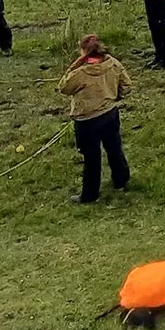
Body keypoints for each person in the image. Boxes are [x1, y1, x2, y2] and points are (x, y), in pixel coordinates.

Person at [59, 35, 132, 204]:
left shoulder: (80, 73)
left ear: (83, 51)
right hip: (110, 114)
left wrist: (75, 65)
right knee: (114, 148)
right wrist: (115, 97)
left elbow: (63, 87)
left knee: (91, 157)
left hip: (87, 120)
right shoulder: (112, 63)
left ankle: (90, 194)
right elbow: (127, 85)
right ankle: (121, 180)